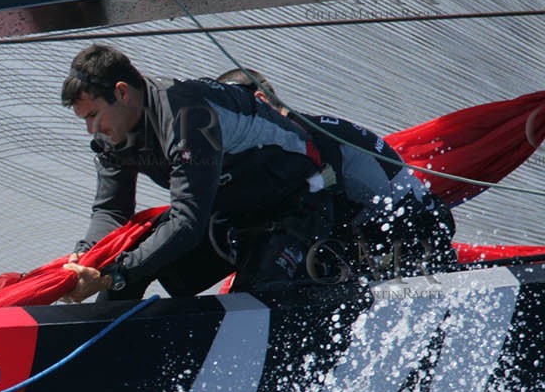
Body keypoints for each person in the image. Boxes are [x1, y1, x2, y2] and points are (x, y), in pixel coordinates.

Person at [59, 44, 337, 301]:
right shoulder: (111, 136)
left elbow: (187, 222)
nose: (90, 129)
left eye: (93, 115)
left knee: (252, 301)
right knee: (121, 265)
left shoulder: (188, 118)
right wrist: (88, 255)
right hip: (225, 211)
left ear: (122, 92)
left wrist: (112, 275)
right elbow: (112, 211)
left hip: (294, 203)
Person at [214, 68, 456, 279]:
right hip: (384, 237)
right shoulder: (290, 142)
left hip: (416, 238)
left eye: (237, 110)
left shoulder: (310, 136)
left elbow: (320, 208)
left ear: (262, 101)